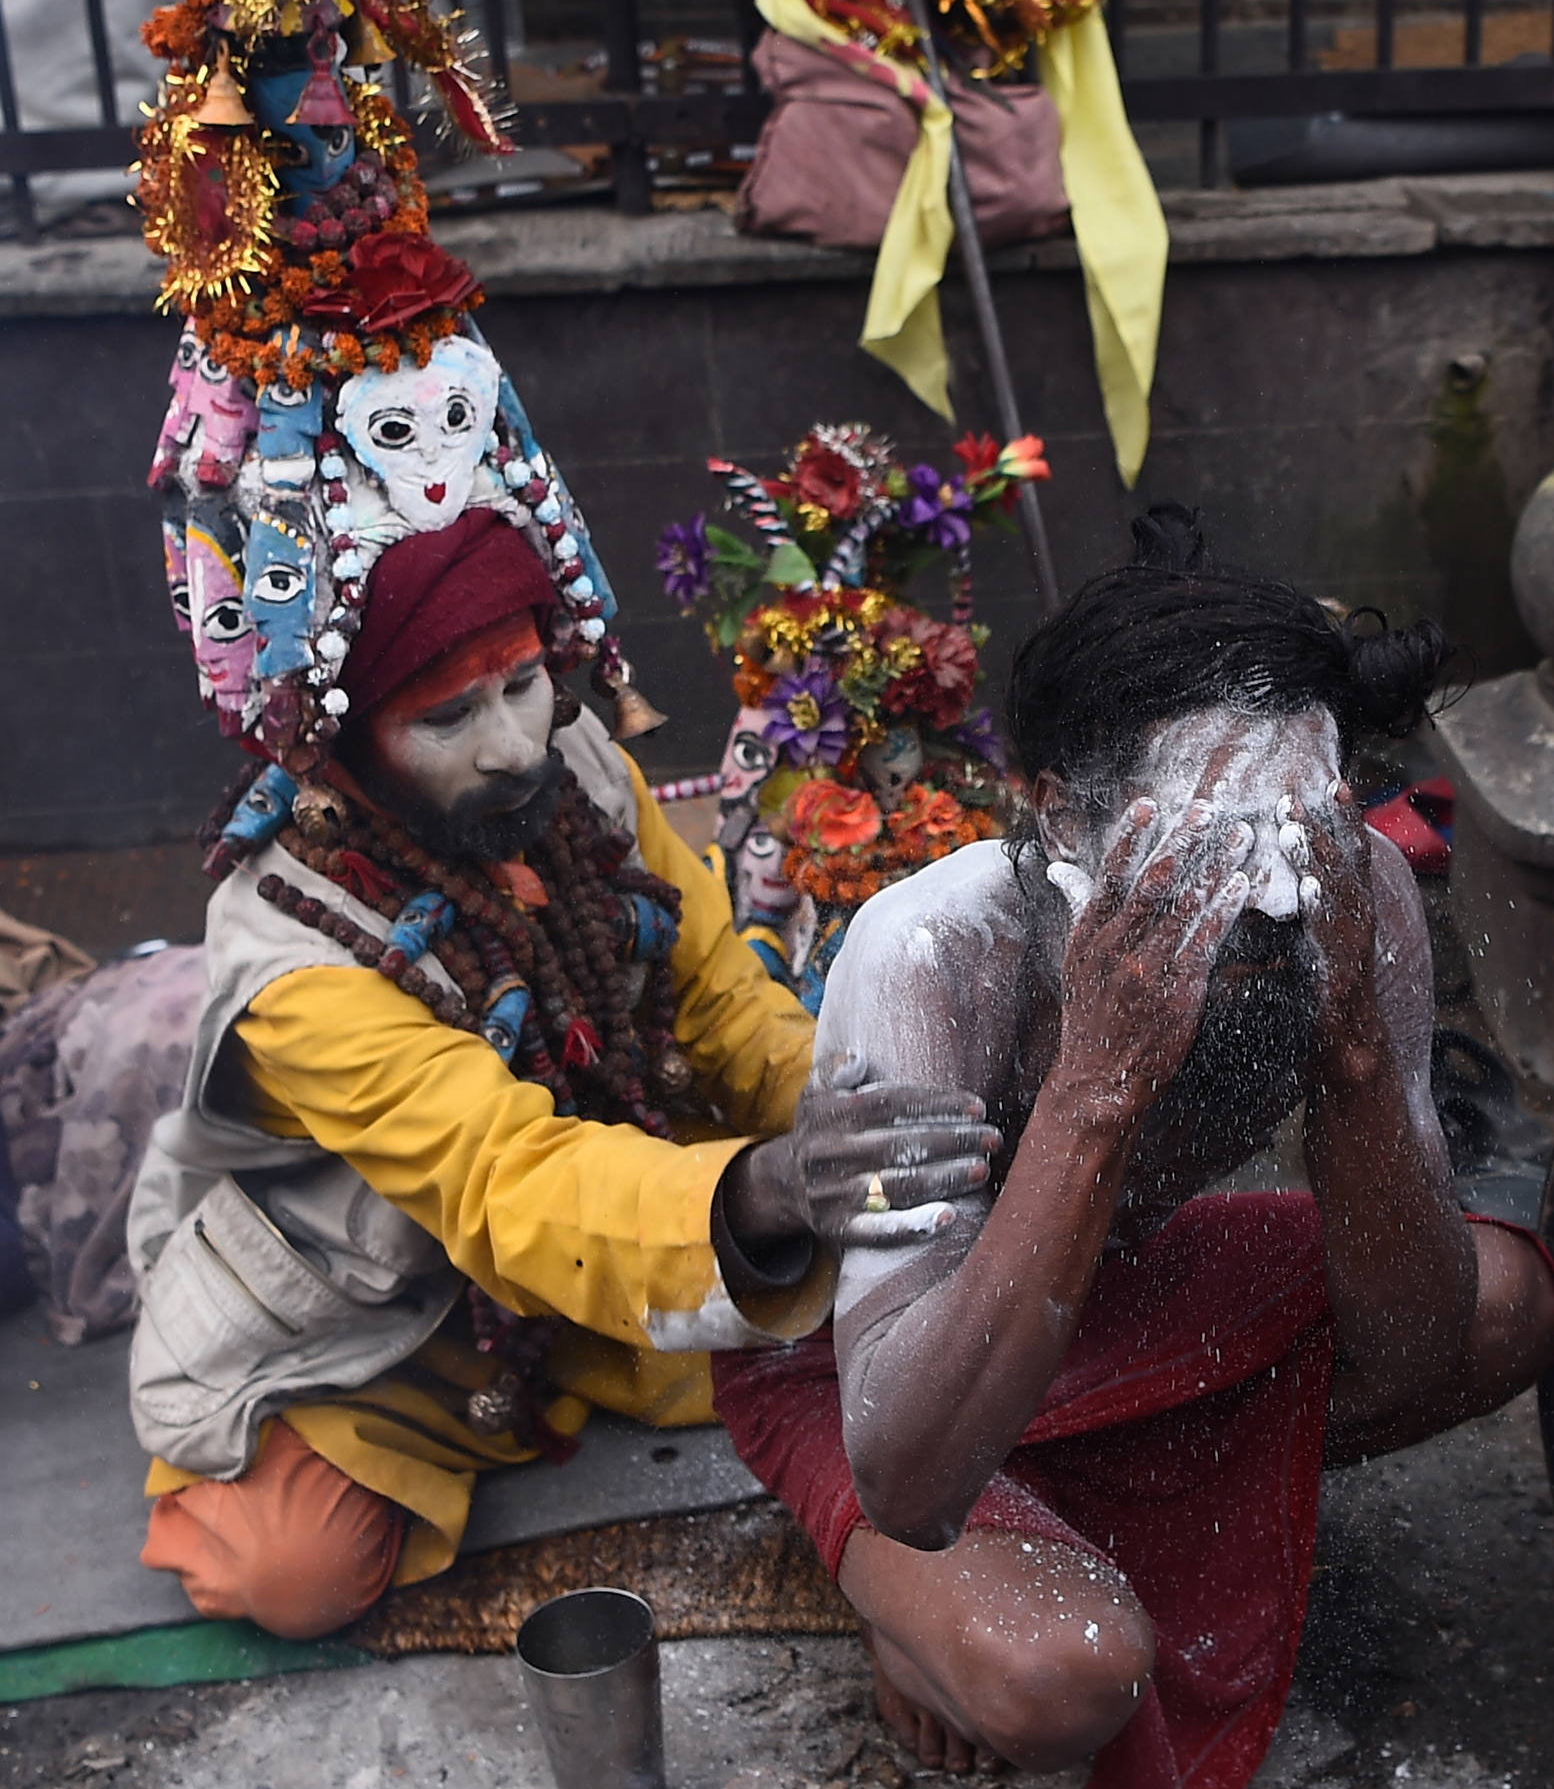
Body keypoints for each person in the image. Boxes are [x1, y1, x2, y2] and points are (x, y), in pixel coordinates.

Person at [710, 515, 1554, 1789]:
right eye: (1211, 843)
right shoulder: (931, 953)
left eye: (1304, 826)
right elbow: (908, 1472)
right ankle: (915, 1590)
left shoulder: (1349, 903)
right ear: (1061, 816)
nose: (1269, 895)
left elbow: (1415, 1345)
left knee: (1508, 1300)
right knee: (1064, 1671)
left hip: (1108, 1312)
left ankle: (1071, 1518)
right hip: (876, 1370)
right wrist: (1099, 1082)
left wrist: (1353, 1045)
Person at [126, 512, 989, 1635]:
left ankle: (624, 1339)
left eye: (525, 683)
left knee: (926, 1322)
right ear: (338, 742)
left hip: (623, 1210)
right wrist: (770, 1188)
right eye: (448, 715)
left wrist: (852, 1114)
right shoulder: (295, 959)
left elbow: (722, 1000)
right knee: (289, 1571)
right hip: (401, 1325)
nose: (512, 747)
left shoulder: (577, 767)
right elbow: (506, 1179)